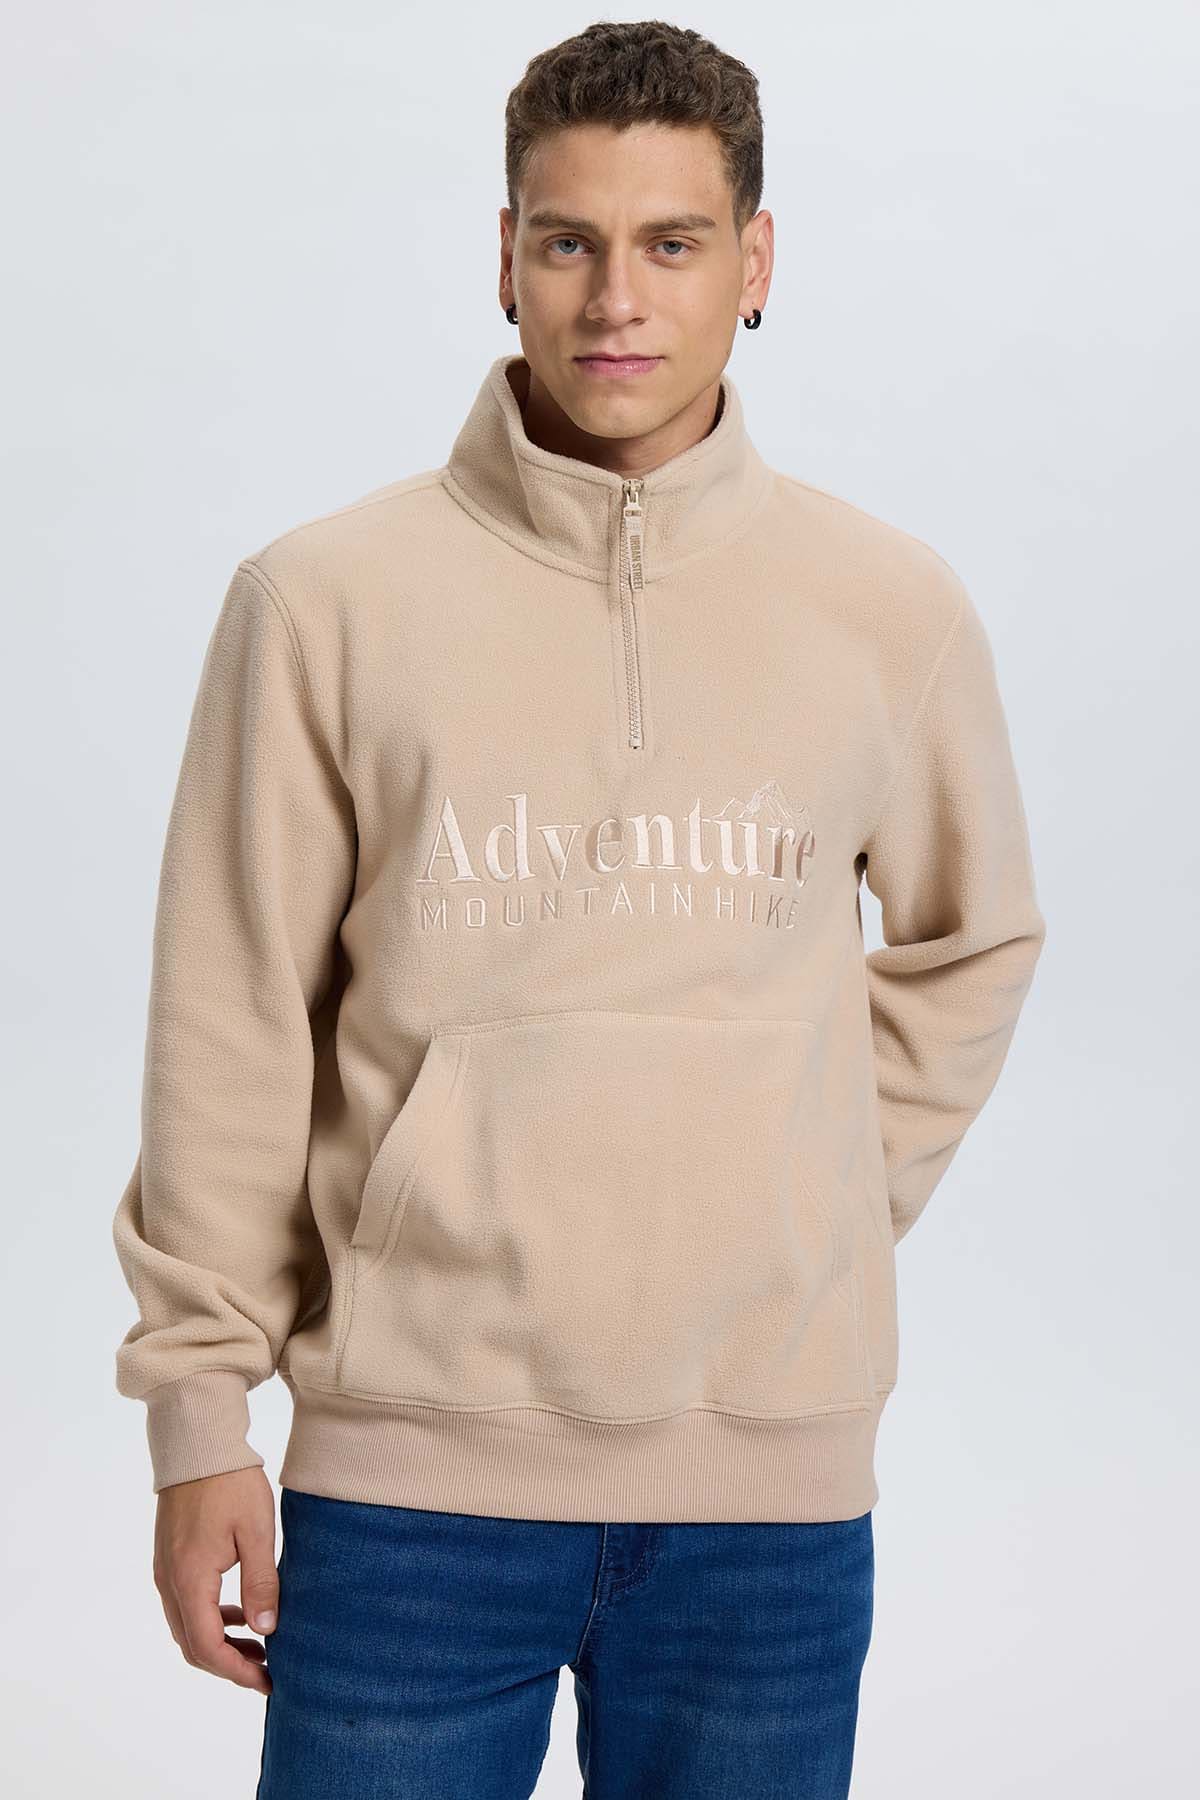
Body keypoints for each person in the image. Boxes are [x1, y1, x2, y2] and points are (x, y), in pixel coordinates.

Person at [112, 20, 1046, 1799]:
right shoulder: (323, 603)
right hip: (406, 1488)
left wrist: (806, 1182)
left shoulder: (887, 610)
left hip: (768, 1504)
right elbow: (230, 1021)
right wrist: (196, 1420)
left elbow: (972, 940)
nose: (617, 297)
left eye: (672, 243)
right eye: (569, 241)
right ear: (506, 257)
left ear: (754, 262)